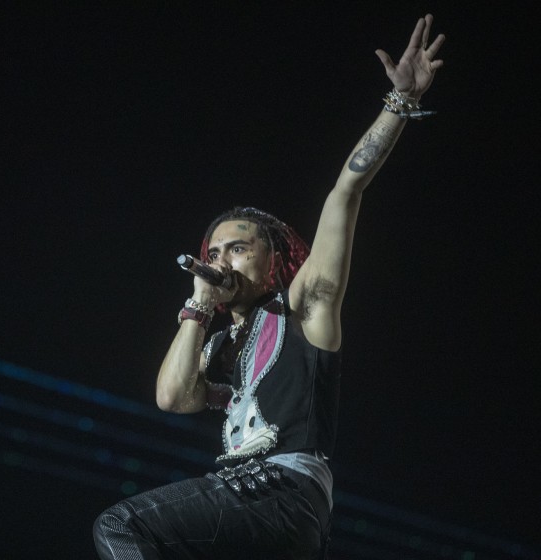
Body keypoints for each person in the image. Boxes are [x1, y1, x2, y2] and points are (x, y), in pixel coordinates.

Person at [93, 13, 446, 560]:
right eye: (212, 252)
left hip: (282, 492)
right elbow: (172, 397)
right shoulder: (222, 347)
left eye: (237, 248)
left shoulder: (302, 308)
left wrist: (397, 104)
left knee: (122, 524)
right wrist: (198, 305)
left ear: (274, 258)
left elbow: (345, 193)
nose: (221, 260)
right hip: (258, 517)